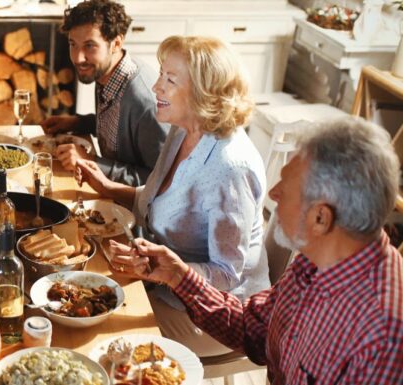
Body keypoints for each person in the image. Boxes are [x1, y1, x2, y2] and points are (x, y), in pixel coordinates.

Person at [119, 116, 403, 384]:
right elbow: (252, 329)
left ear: (321, 218)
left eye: (287, 187)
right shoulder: (318, 260)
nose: (273, 193)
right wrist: (178, 276)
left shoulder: (383, 335)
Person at [77, 35, 269, 357]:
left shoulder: (229, 167)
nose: (156, 87)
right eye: (160, 75)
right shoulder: (183, 129)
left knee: (99, 330)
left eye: (170, 79)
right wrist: (110, 190)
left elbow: (226, 274)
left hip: (216, 314)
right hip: (165, 283)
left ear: (205, 91)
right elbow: (163, 201)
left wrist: (166, 273)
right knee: (82, 289)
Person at [42, 0, 169, 186]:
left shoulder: (145, 103)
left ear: (116, 43)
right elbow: (116, 127)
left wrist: (92, 162)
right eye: (73, 44)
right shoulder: (106, 73)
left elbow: (162, 181)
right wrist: (77, 122)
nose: (78, 58)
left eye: (89, 46)